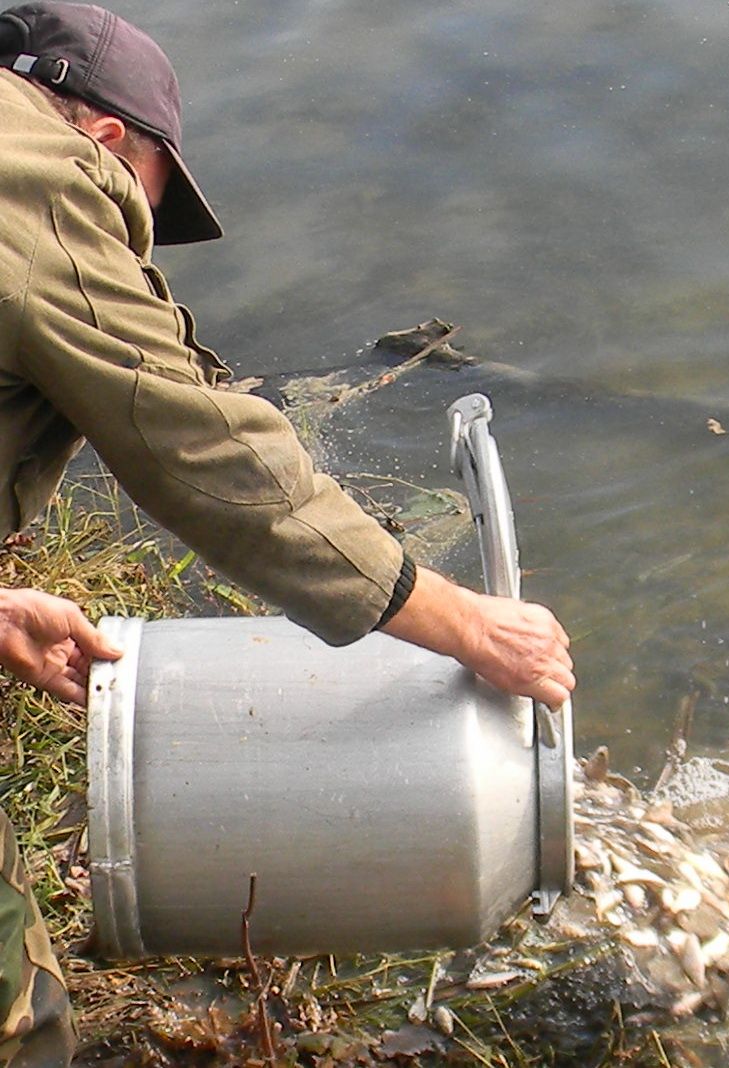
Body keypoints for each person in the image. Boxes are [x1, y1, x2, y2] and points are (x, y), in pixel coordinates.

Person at [0, 3, 576, 1062]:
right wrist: (460, 623)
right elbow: (198, 448)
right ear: (108, 139)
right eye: (143, 206)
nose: (128, 233)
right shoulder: (34, 178)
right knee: (13, 1004)